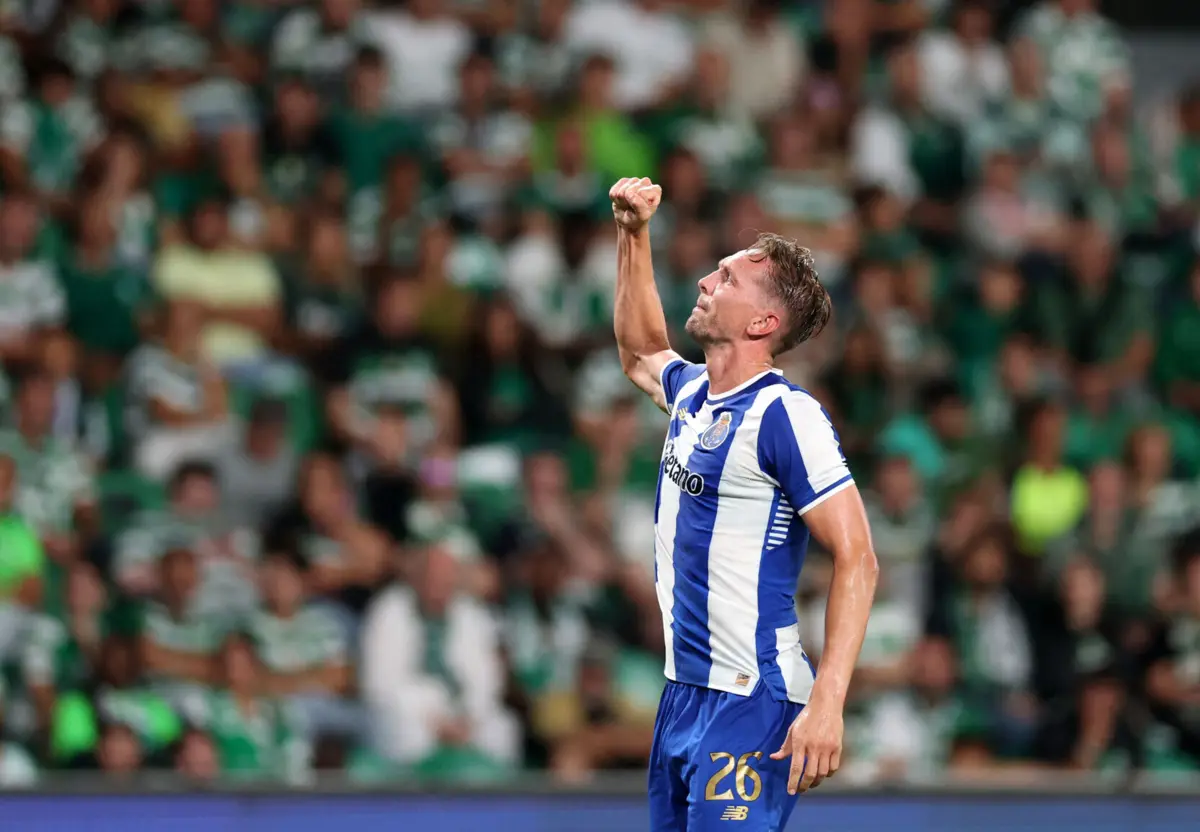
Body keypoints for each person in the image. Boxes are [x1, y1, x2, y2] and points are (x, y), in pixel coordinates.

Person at [608, 176, 878, 831]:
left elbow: (859, 557)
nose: (704, 281)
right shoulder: (695, 394)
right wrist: (633, 234)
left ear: (764, 322)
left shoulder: (787, 416)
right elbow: (642, 351)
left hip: (749, 700)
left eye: (727, 279)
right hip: (682, 695)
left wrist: (829, 704)